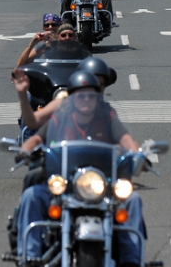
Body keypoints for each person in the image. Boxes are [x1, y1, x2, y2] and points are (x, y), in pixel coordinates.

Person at [16, 71, 145, 266]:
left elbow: (126, 139)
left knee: (133, 199)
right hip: (64, 185)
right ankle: (29, 256)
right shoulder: (60, 118)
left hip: (102, 185)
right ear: (72, 98)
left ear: (97, 97)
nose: (85, 99)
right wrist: (25, 150)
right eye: (80, 95)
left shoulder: (107, 117)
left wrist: (138, 154)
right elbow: (36, 137)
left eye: (91, 95)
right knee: (32, 195)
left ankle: (131, 258)